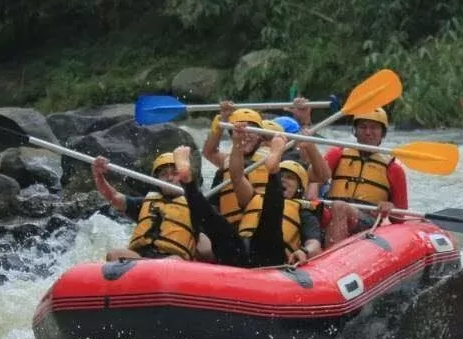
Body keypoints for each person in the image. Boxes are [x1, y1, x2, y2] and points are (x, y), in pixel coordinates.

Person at [173, 131, 322, 267]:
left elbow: (314, 241)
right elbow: (236, 176)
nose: (285, 180)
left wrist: (305, 251)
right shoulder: (253, 198)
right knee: (214, 222)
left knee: (271, 217)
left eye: (290, 178)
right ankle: (188, 182)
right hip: (239, 250)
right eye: (281, 176)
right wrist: (237, 143)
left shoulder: (305, 211)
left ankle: (274, 169)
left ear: (300, 187)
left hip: (270, 255)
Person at [318, 108, 410, 248]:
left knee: (340, 207)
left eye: (374, 128)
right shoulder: (338, 153)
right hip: (331, 211)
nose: (368, 132)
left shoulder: (393, 168)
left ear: (382, 133)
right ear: (355, 131)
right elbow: (316, 178)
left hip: (366, 220)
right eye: (363, 127)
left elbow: (400, 217)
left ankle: (330, 259)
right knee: (334, 208)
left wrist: (390, 207)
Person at [91, 152, 206, 262]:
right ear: (157, 180)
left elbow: (208, 247)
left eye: (175, 173)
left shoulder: (196, 208)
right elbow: (114, 197)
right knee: (115, 254)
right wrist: (98, 175)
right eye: (164, 174)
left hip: (173, 260)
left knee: (174, 261)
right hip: (140, 259)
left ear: (184, 178)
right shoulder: (144, 203)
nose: (169, 178)